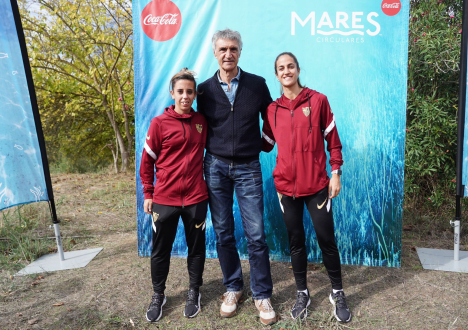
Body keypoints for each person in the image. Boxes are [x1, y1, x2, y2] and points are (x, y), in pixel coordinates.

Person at [261, 52, 352, 323]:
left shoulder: (318, 101)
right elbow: (264, 144)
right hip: (286, 189)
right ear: (276, 75)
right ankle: (303, 293)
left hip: (317, 187)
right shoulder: (272, 110)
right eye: (281, 68)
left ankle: (337, 292)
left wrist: (335, 173)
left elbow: (333, 142)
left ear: (298, 70)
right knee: (296, 242)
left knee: (327, 240)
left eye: (290, 66)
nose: (286, 71)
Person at [196, 29, 277, 325]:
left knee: (256, 235)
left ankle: (262, 293)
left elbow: (272, 118)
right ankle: (232, 287)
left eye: (233, 48)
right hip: (215, 167)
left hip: (248, 168)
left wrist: (264, 145)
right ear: (214, 53)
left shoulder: (257, 85)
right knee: (223, 233)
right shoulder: (203, 90)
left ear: (240, 51)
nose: (228, 54)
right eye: (223, 49)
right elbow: (199, 126)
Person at [140, 68, 208, 322]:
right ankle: (159, 294)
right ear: (172, 93)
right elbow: (147, 162)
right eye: (180, 91)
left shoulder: (202, 121)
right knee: (160, 251)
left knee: (196, 248)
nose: (185, 96)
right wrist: (148, 192)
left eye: (190, 92)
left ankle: (194, 292)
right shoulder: (159, 123)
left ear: (194, 95)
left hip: (196, 198)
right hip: (164, 199)